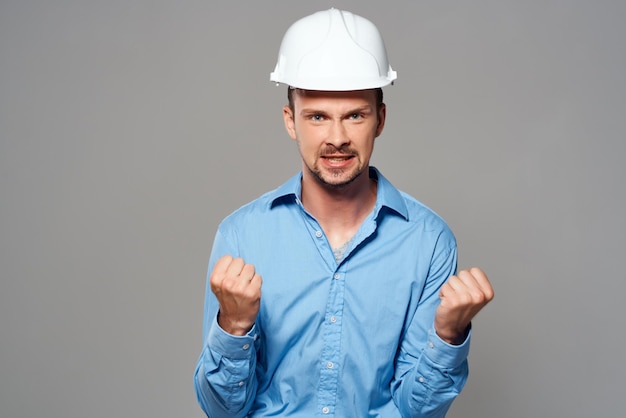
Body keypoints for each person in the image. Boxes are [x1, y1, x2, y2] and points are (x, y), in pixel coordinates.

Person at [194, 8, 494, 418]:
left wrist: (448, 335)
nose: (337, 138)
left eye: (355, 115)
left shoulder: (429, 241)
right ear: (291, 122)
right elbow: (222, 412)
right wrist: (232, 327)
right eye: (317, 117)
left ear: (380, 120)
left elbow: (415, 410)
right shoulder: (242, 236)